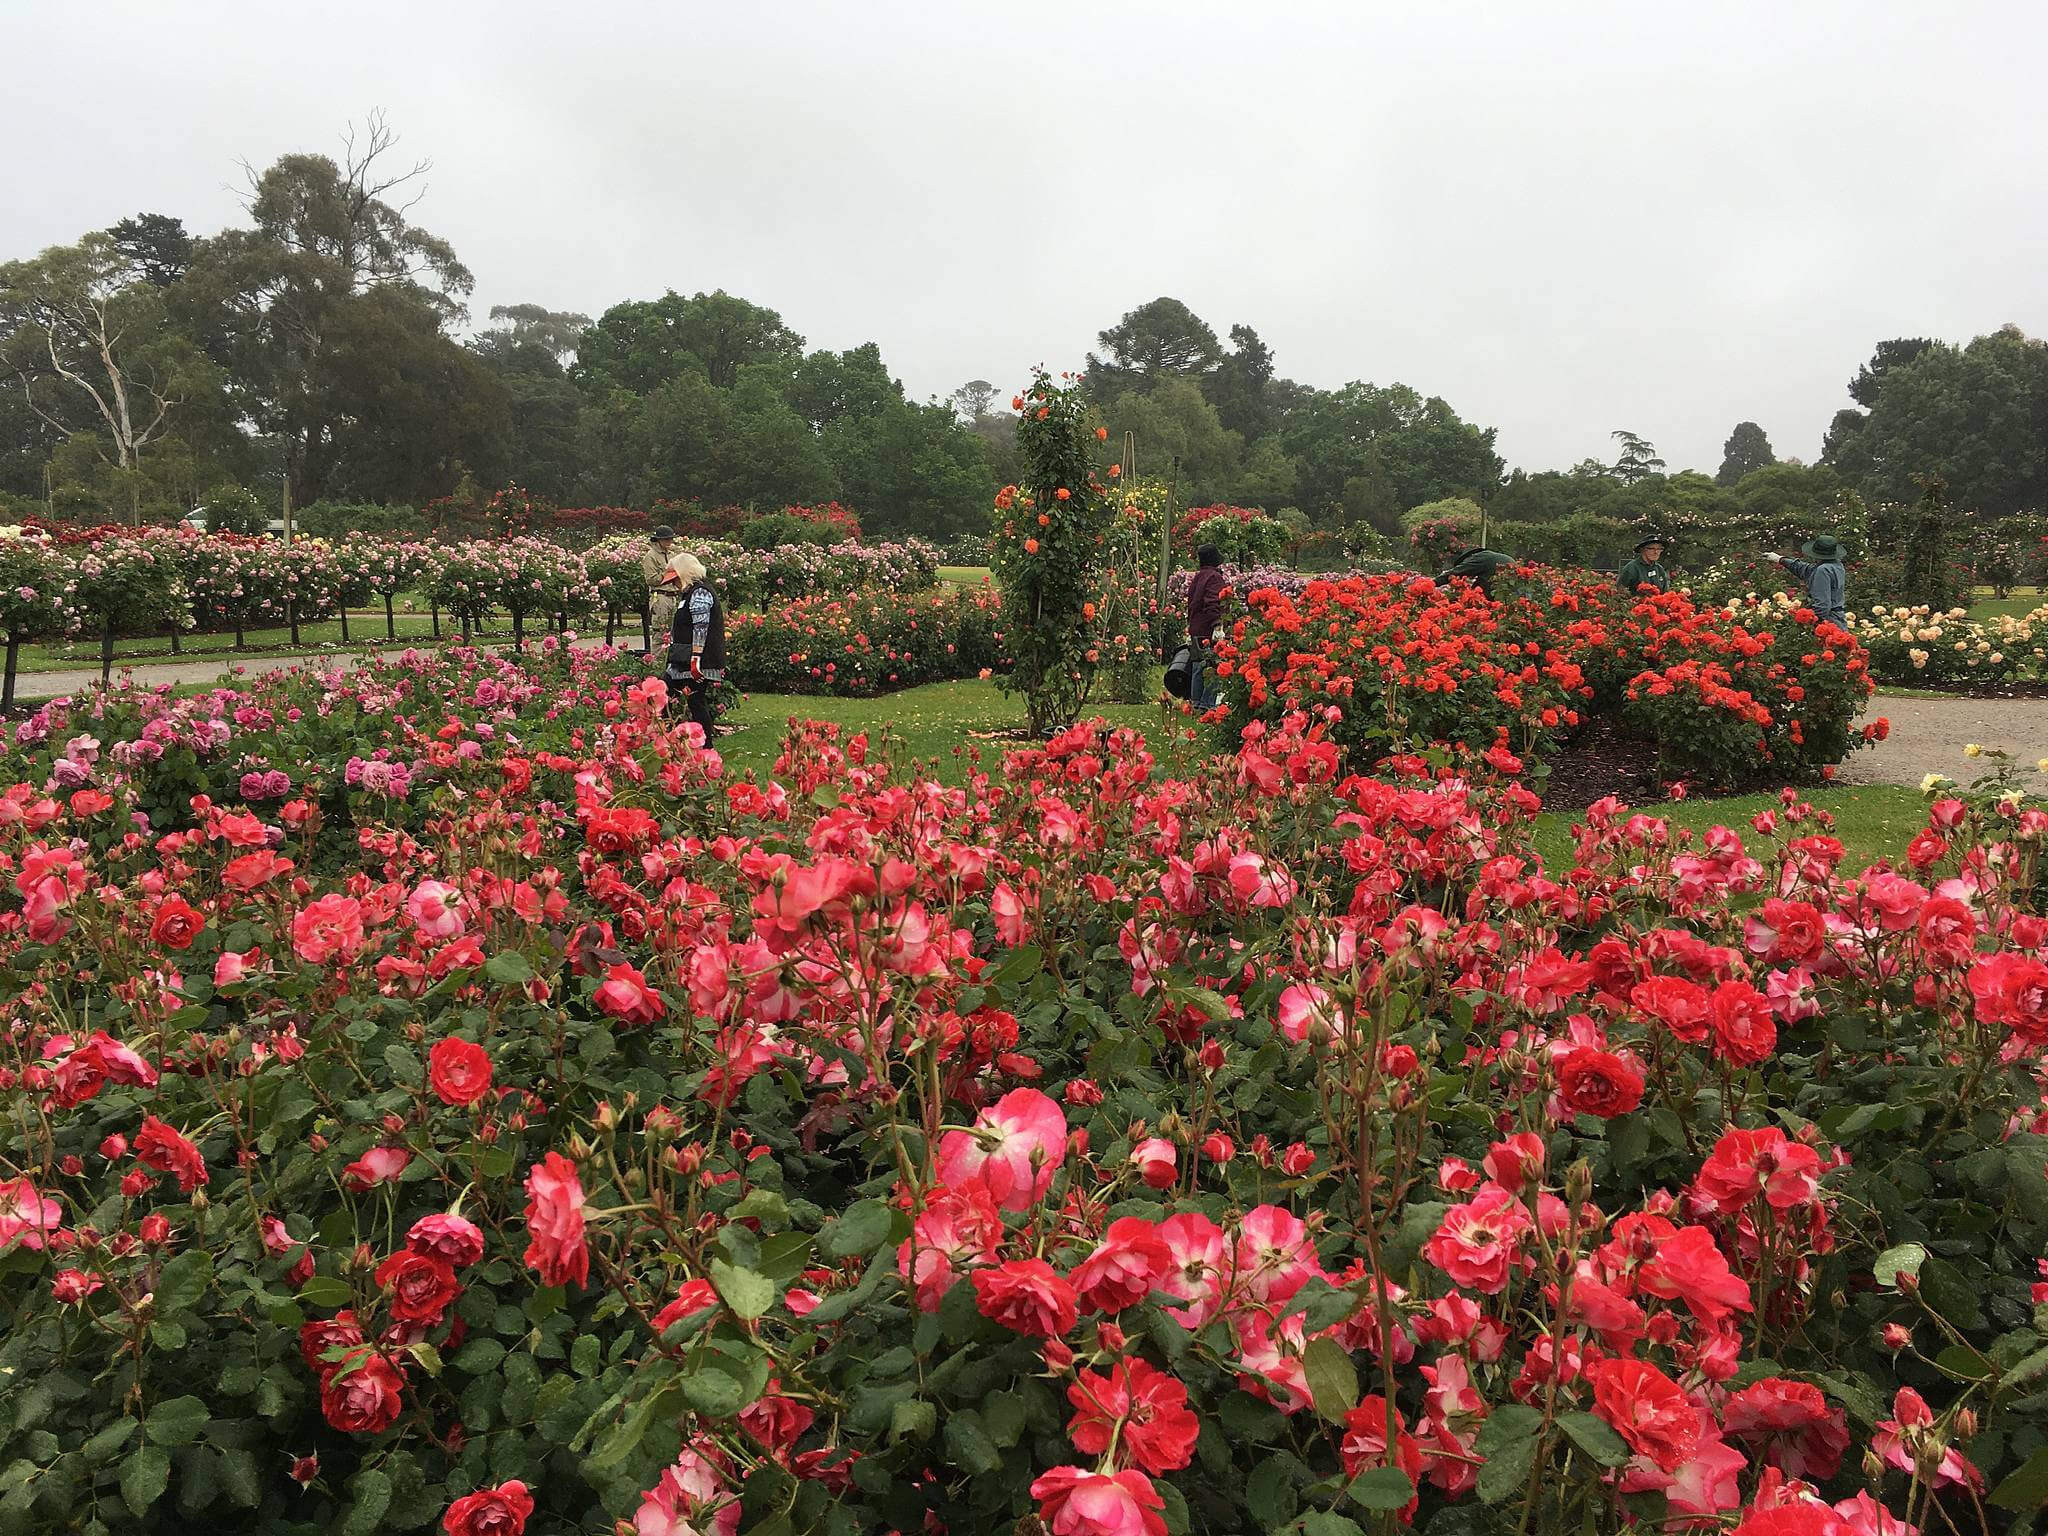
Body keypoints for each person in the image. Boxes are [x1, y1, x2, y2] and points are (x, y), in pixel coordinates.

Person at [662, 550, 725, 738]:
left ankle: (705, 743)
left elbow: (701, 627)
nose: (674, 583)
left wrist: (696, 658)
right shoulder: (689, 593)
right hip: (683, 659)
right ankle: (674, 737)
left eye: (675, 578)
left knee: (694, 700)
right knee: (670, 694)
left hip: (696, 661)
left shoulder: (700, 593)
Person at [1767, 534, 1848, 626]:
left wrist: (1808, 623)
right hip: (1839, 619)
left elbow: (1822, 605)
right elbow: (1805, 569)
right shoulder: (1837, 565)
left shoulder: (1823, 571)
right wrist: (1780, 559)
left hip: (1829, 621)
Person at [1184, 544, 1229, 710]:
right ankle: (1207, 704)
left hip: (1196, 627)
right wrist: (1218, 625)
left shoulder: (1199, 576)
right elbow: (1213, 602)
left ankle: (1196, 703)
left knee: (1198, 666)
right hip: (1208, 628)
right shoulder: (1214, 578)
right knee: (1212, 666)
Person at [641, 525, 678, 657]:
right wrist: (667, 574)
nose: (669, 542)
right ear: (659, 540)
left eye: (671, 539)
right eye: (667, 539)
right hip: (660, 596)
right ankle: (657, 664)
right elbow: (651, 579)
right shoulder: (651, 556)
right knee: (660, 632)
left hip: (673, 595)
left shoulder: (672, 554)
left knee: (673, 632)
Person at [1435, 541, 1516, 596]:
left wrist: (1432, 583)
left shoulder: (1479, 557)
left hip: (1498, 594)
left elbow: (1456, 572)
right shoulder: (1493, 556)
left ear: (1469, 557)